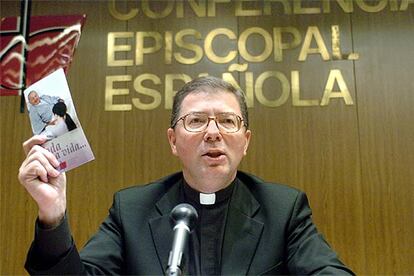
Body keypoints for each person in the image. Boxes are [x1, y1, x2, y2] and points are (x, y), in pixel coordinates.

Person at [18, 76, 354, 275]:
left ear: (245, 141)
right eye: (195, 121)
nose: (212, 133)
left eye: (227, 121)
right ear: (173, 141)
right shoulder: (132, 209)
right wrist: (53, 215)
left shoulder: (284, 209)